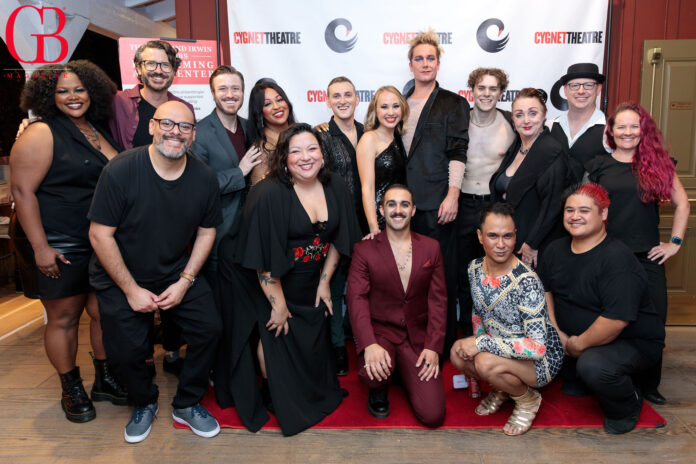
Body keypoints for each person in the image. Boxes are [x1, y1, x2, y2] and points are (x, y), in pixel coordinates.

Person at [214, 123, 361, 436]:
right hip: (254, 275)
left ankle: (305, 388)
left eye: (312, 149)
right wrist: (277, 304)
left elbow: (339, 238)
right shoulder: (267, 193)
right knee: (276, 330)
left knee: (307, 332)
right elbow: (262, 259)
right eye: (295, 151)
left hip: (307, 274)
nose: (305, 157)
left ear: (322, 154)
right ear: (283, 157)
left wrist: (324, 282)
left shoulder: (334, 185)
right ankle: (271, 391)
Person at [88, 101, 223, 443]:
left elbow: (207, 232)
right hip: (122, 276)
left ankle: (187, 402)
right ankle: (144, 400)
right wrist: (131, 289)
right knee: (127, 350)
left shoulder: (204, 177)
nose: (175, 132)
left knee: (209, 328)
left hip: (176, 272)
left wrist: (185, 281)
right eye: (168, 123)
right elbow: (99, 234)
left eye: (185, 127)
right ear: (152, 126)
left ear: (193, 135)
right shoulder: (121, 169)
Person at [10, 61, 127, 423]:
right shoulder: (41, 132)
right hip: (60, 240)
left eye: (79, 89)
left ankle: (104, 379)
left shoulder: (94, 129)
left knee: (103, 312)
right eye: (63, 90)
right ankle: (71, 387)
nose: (73, 97)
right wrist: (41, 248)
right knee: (63, 317)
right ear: (48, 95)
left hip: (99, 239)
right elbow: (22, 192)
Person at [540, 182, 665, 434]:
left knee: (594, 367)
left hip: (632, 342)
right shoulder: (554, 250)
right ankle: (580, 371)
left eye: (584, 210)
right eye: (569, 210)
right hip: (571, 339)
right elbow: (546, 292)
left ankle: (628, 404)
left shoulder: (618, 259)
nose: (575, 216)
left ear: (604, 214)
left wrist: (577, 345)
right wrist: (558, 334)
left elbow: (614, 321)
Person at [588, 102, 690, 404]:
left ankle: (649, 385)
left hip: (648, 257)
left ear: (643, 130)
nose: (628, 132)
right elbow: (588, 209)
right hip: (608, 257)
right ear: (611, 131)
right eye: (621, 126)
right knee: (610, 320)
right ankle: (614, 378)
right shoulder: (598, 165)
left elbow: (683, 204)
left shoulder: (659, 164)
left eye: (634, 126)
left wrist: (675, 242)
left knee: (653, 322)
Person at [450, 202, 563, 435]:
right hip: (501, 347)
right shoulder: (474, 269)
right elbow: (478, 314)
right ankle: (503, 387)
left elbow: (538, 348)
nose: (501, 245)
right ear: (480, 236)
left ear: (515, 236)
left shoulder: (526, 281)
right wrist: (477, 342)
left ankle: (527, 399)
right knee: (457, 353)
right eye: (492, 236)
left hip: (539, 360)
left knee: (483, 362)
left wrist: (480, 345)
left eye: (507, 236)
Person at [346, 184, 447, 427]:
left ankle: (400, 372)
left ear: (413, 210)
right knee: (370, 374)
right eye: (391, 204)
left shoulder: (431, 248)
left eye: (404, 204)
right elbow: (356, 299)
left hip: (416, 338)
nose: (398, 210)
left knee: (433, 415)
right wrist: (369, 344)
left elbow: (438, 301)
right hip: (381, 334)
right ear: (381, 210)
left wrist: (433, 346)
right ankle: (380, 386)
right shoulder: (364, 250)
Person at [403, 30, 469, 353]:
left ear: (439, 63)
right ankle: (413, 340)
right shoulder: (398, 102)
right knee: (409, 278)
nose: (425, 63)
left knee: (440, 280)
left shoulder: (454, 104)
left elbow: (459, 151)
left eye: (431, 58)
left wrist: (453, 194)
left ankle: (441, 345)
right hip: (403, 207)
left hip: (438, 204)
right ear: (411, 64)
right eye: (419, 58)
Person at [190, 66, 262, 291]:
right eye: (223, 89)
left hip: (251, 233)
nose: (230, 94)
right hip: (218, 236)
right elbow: (197, 187)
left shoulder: (250, 127)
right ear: (212, 93)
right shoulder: (199, 133)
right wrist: (239, 173)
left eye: (235, 89)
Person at [456, 68, 516, 338]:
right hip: (461, 204)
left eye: (493, 89)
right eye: (481, 88)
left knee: (493, 273)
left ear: (501, 93)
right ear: (472, 90)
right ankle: (466, 333)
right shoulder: (459, 121)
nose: (487, 94)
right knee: (462, 273)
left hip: (493, 207)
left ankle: (495, 333)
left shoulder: (510, 125)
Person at [489, 88, 572, 268]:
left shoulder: (551, 152)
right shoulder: (517, 146)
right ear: (513, 119)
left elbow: (553, 205)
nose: (526, 120)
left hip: (533, 246)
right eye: (519, 115)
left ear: (544, 116)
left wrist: (533, 243)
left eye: (532, 113)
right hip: (511, 240)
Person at [317, 76, 365, 375]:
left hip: (368, 219)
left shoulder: (368, 132)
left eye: (348, 94)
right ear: (327, 100)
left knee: (363, 286)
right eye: (337, 95)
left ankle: (364, 340)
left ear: (357, 98)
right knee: (333, 285)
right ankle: (336, 346)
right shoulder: (322, 136)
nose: (343, 100)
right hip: (335, 220)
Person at [110, 40, 195, 150]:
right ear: (139, 69)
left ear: (174, 71)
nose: (158, 71)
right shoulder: (117, 101)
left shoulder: (185, 108)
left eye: (165, 65)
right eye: (151, 64)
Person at [356, 86, 408, 233]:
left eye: (396, 106)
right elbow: (367, 188)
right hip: (378, 218)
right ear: (375, 111)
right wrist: (373, 227)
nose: (391, 112)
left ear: (402, 109)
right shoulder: (369, 139)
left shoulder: (398, 137)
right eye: (384, 107)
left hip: (398, 215)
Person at [548, 63, 610, 179]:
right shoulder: (550, 126)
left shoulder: (610, 129)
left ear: (598, 89)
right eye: (574, 85)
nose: (581, 91)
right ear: (565, 90)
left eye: (588, 85)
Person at [245, 81, 296, 186]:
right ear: (259, 112)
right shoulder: (262, 150)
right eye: (267, 104)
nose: (276, 106)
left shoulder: (302, 132)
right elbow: (258, 191)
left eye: (279, 99)